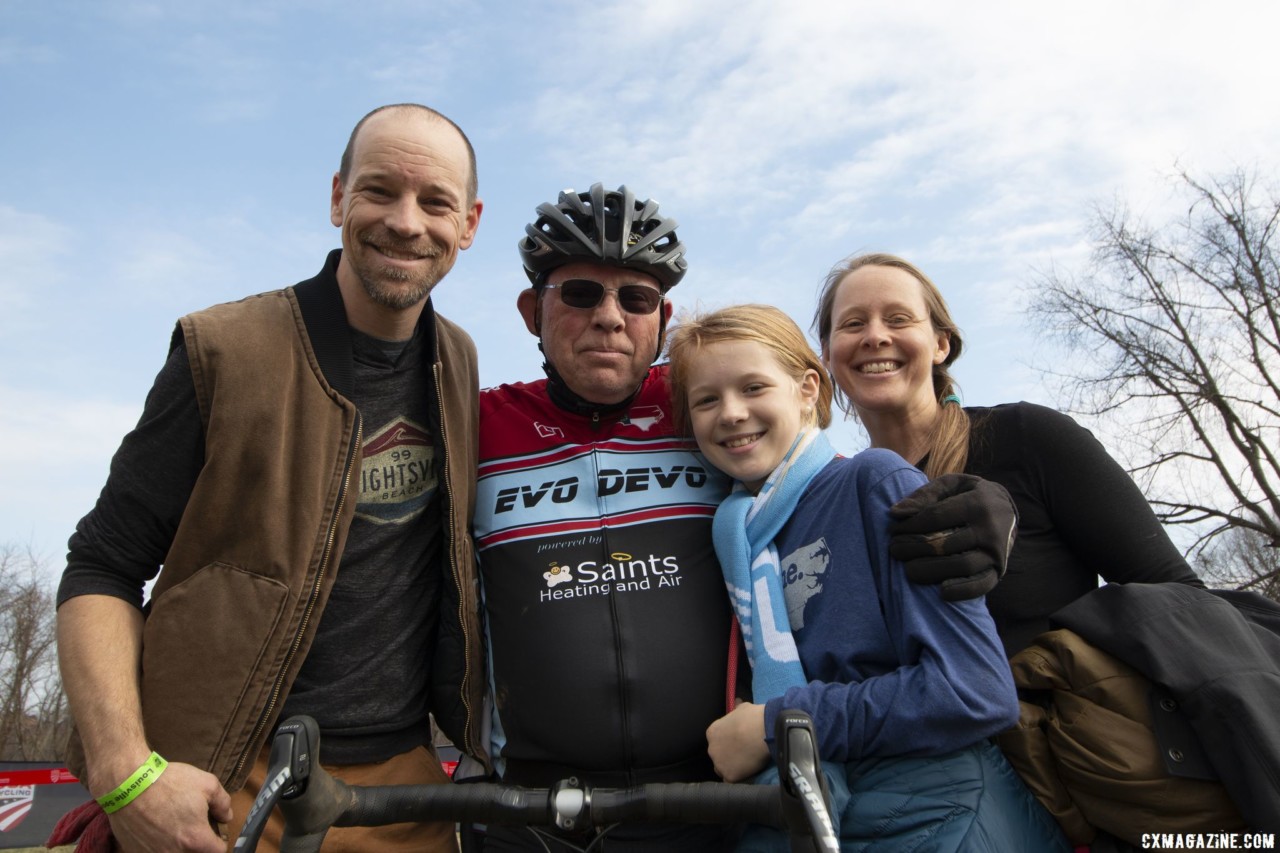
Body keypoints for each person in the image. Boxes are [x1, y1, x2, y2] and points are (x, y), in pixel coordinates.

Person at [470, 185, 1021, 852]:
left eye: (636, 298)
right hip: (535, 804)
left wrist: (990, 495)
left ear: (660, 315)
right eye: (581, 293)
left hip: (708, 800)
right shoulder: (474, 423)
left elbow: (819, 465)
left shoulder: (694, 404)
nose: (610, 317)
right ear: (533, 309)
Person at [53, 103, 485, 853]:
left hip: (405, 786)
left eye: (436, 201)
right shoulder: (222, 348)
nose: (407, 222)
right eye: (380, 190)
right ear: (336, 198)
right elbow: (102, 566)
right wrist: (126, 773)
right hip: (227, 778)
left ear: (469, 223)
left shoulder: (460, 360)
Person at [664, 304, 1070, 851]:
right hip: (830, 809)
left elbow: (971, 689)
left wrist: (776, 724)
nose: (731, 413)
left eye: (754, 387)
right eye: (706, 400)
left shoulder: (873, 481)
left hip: (936, 809)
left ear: (808, 388)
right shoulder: (740, 532)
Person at [812, 252, 1206, 657]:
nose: (875, 336)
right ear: (826, 353)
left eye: (898, 319)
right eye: (853, 323)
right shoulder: (837, 506)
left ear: (940, 344)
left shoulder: (1029, 437)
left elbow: (1180, 598)